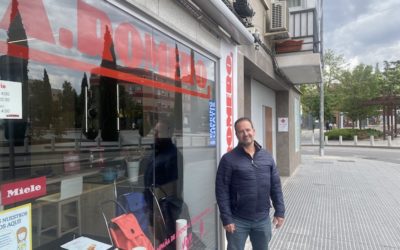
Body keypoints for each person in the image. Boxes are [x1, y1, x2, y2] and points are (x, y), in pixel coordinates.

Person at [215, 117, 285, 250]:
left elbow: (275, 186)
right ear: (236, 135)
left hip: (262, 219)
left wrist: (280, 211)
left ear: (254, 131)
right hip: (237, 220)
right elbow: (221, 191)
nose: (245, 134)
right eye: (241, 131)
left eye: (248, 130)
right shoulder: (228, 159)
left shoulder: (267, 157)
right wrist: (227, 218)